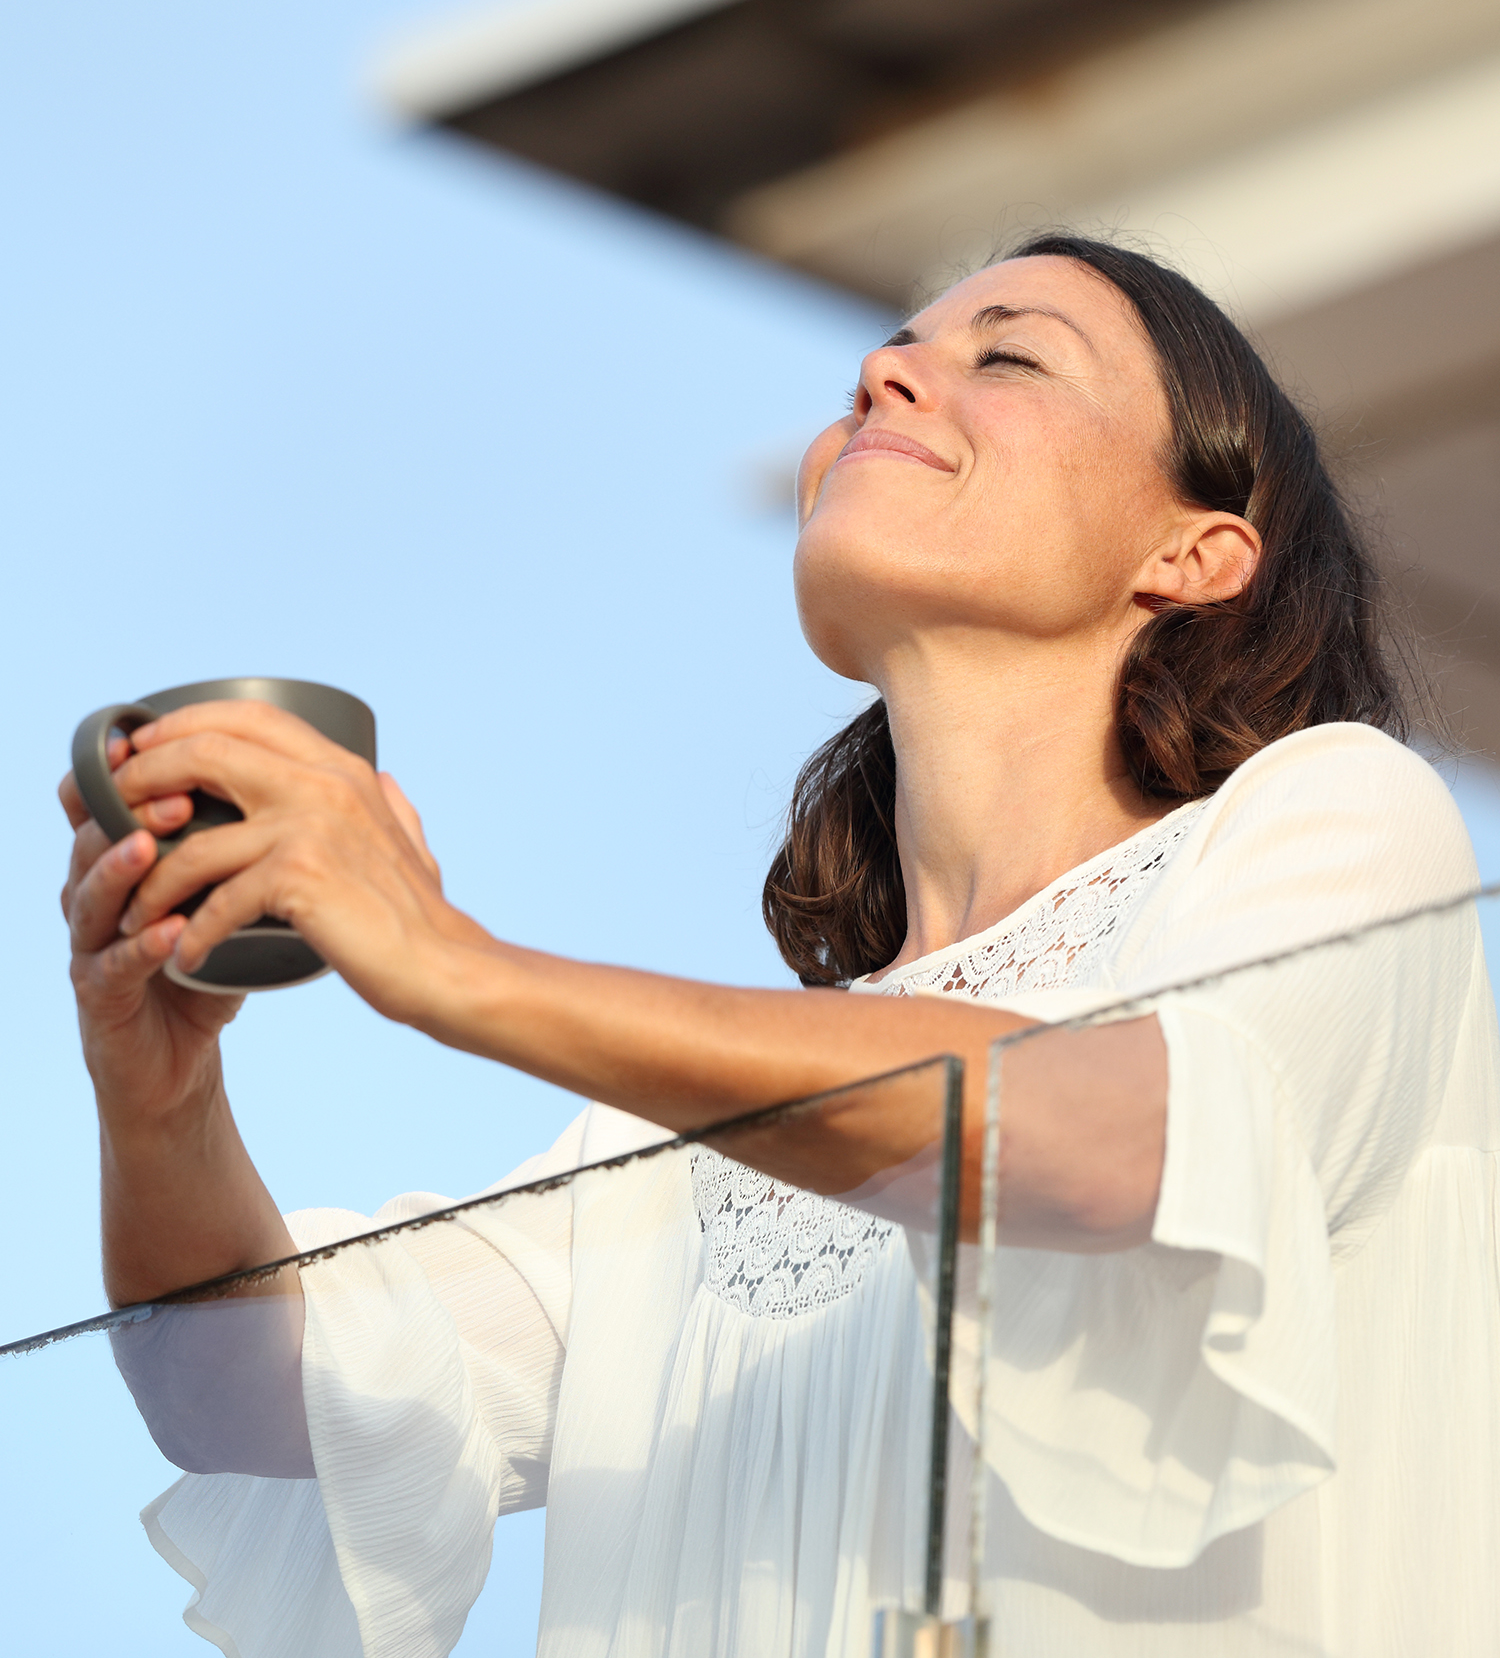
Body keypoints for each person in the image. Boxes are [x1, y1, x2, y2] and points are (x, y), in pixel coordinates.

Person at [61, 235, 1497, 1657]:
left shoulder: (1337, 818)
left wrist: (451, 964)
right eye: (887, 360)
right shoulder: (674, 1135)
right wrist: (158, 1091)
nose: (883, 376)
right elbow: (235, 1391)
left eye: (1007, 355)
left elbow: (1126, 1133)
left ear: (1196, 551)